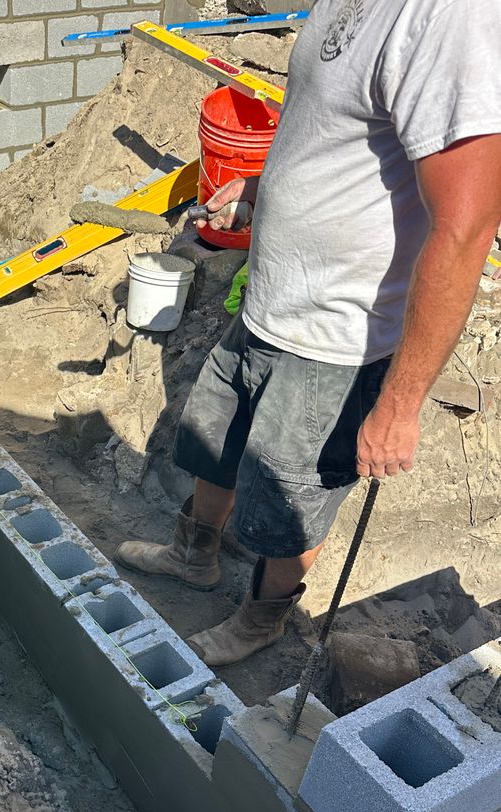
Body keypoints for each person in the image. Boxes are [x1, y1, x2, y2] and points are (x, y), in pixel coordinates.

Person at [116, 0, 501, 666]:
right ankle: (193, 556)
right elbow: (336, 139)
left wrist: (400, 404)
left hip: (338, 336)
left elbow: (464, 229)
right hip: (269, 302)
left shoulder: (448, 17)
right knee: (215, 438)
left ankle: (260, 620)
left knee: (291, 497)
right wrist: (263, 189)